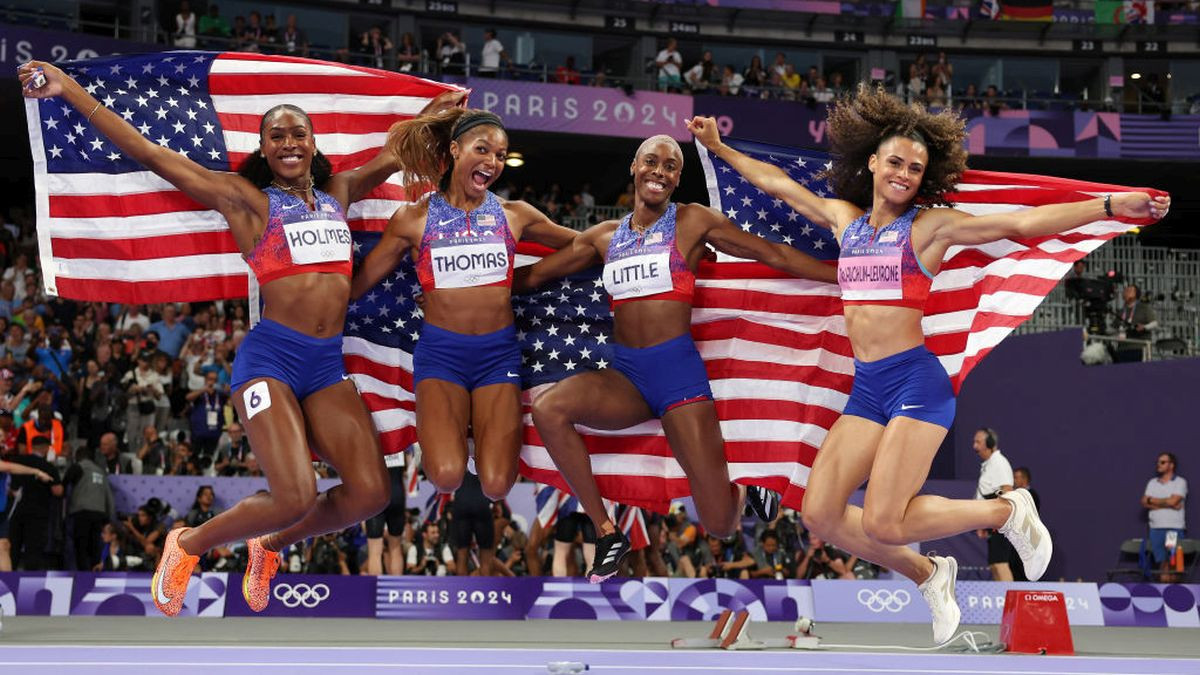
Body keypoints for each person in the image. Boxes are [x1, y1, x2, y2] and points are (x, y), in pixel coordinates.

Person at [686, 90, 1168, 644]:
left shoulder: (928, 228)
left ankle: (1006, 510)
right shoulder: (845, 221)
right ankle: (929, 572)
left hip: (916, 383)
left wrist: (1107, 208)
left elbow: (1020, 223)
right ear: (871, 162)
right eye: (895, 162)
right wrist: (721, 148)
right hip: (868, 390)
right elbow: (778, 184)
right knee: (819, 513)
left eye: (915, 168)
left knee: (884, 522)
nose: (904, 174)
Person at [19, 59, 467, 614]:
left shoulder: (339, 193)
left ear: (312, 141)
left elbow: (401, 151)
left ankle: (270, 543)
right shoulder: (246, 200)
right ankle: (187, 544)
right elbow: (151, 154)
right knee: (294, 494)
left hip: (327, 368)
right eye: (276, 135)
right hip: (271, 362)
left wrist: (445, 112)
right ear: (263, 147)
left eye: (297, 133)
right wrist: (68, 90)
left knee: (372, 494)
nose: (288, 143)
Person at [519, 134, 837, 583]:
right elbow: (534, 276)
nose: (660, 172)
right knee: (550, 408)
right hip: (626, 376)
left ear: (677, 179)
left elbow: (773, 253)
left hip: (679, 379)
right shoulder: (603, 238)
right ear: (634, 166)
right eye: (651, 161)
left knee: (720, 525)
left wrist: (842, 275)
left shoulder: (691, 222)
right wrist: (457, 291)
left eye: (670, 167)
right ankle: (607, 531)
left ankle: (749, 483)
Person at [352, 109, 577, 503]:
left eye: (501, 156)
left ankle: (477, 430)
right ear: (455, 149)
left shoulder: (515, 214)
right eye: (483, 149)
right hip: (442, 357)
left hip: (498, 355)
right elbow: (360, 284)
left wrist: (523, 278)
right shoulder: (412, 219)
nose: (492, 162)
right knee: (447, 476)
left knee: (496, 486)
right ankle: (461, 430)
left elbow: (582, 244)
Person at [6, 435, 62, 570]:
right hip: (37, 514)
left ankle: (7, 580)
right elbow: (58, 491)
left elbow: (6, 486)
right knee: (33, 550)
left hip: (15, 512)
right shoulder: (48, 467)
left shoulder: (16, 461)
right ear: (45, 448)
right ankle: (29, 582)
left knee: (12, 548)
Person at [63, 444, 115, 571]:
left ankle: (82, 574)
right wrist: (110, 518)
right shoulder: (101, 471)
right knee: (95, 545)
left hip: (82, 511)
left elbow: (62, 486)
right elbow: (109, 496)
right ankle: (95, 570)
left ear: (78, 456)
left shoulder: (78, 467)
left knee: (81, 545)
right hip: (99, 513)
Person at [973, 428, 1015, 581]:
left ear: (990, 443)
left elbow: (1007, 490)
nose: (975, 447)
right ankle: (1002, 601)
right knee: (994, 565)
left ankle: (1011, 602)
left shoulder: (999, 462)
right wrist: (983, 524)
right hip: (992, 520)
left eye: (978, 442)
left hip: (1000, 521)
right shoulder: (990, 464)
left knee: (1000, 564)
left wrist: (1000, 521)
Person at [0, 453, 54, 571]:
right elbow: (9, 467)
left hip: (1, 513)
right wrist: (36, 471)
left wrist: (10, 492)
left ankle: (5, 586)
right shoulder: (3, 464)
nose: (2, 439)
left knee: (4, 546)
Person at [1143, 452, 1186, 582]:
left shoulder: (1180, 482)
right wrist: (1168, 503)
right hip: (1156, 529)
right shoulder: (1152, 483)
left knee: (1173, 563)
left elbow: (1174, 501)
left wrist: (1153, 501)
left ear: (1171, 465)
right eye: (1158, 462)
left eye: (1162, 462)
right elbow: (1144, 501)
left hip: (1173, 529)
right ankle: (1164, 593)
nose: (1159, 464)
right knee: (1162, 564)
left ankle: (1175, 596)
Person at [1008, 466, 1039, 581]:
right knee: (1013, 564)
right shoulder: (1017, 495)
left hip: (1028, 538)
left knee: (1024, 566)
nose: (1014, 480)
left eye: (1016, 477)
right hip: (1017, 537)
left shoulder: (1031, 495)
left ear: (1024, 479)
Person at [1115, 284, 1157, 363]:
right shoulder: (1121, 311)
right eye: (1126, 290)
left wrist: (1144, 327)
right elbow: (1114, 327)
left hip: (1139, 347)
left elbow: (1154, 323)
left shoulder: (1144, 307)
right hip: (1122, 348)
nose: (1126, 292)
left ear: (1136, 294)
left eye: (1130, 290)